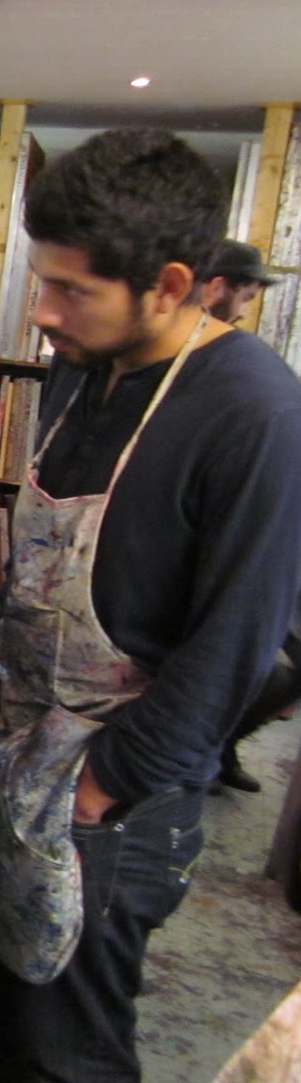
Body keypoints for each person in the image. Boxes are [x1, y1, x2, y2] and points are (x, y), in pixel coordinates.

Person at [0, 128, 301, 1083]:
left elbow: (237, 651)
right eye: (41, 282)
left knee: (67, 1068)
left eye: (72, 291)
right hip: (12, 758)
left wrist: (98, 792)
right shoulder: (82, 365)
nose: (42, 313)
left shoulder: (256, 414)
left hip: (110, 804)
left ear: (170, 284)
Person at [195, 239, 297, 793]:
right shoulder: (206, 369)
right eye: (247, 293)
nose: (246, 306)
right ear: (217, 288)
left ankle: (220, 746)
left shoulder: (248, 373)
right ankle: (205, 751)